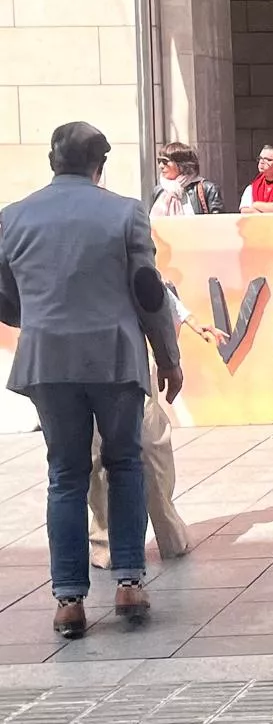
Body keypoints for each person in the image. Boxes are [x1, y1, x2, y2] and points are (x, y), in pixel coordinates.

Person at [0, 122, 183, 638]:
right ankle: (128, 582)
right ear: (100, 164)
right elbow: (148, 291)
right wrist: (168, 357)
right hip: (114, 358)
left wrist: (35, 316)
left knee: (65, 474)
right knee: (124, 463)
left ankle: (68, 600)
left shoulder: (11, 217)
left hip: (46, 362)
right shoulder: (125, 211)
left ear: (52, 160)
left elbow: (4, 296)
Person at [88, 281, 224, 569]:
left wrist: (191, 327)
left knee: (151, 445)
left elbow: (156, 289)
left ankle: (169, 531)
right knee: (96, 452)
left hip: (131, 356)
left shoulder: (125, 240)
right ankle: (105, 542)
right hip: (82, 359)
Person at [151, 142, 223, 216]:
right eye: (159, 161)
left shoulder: (207, 189)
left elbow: (217, 223)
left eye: (165, 161)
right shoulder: (159, 191)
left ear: (182, 165)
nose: (161, 166)